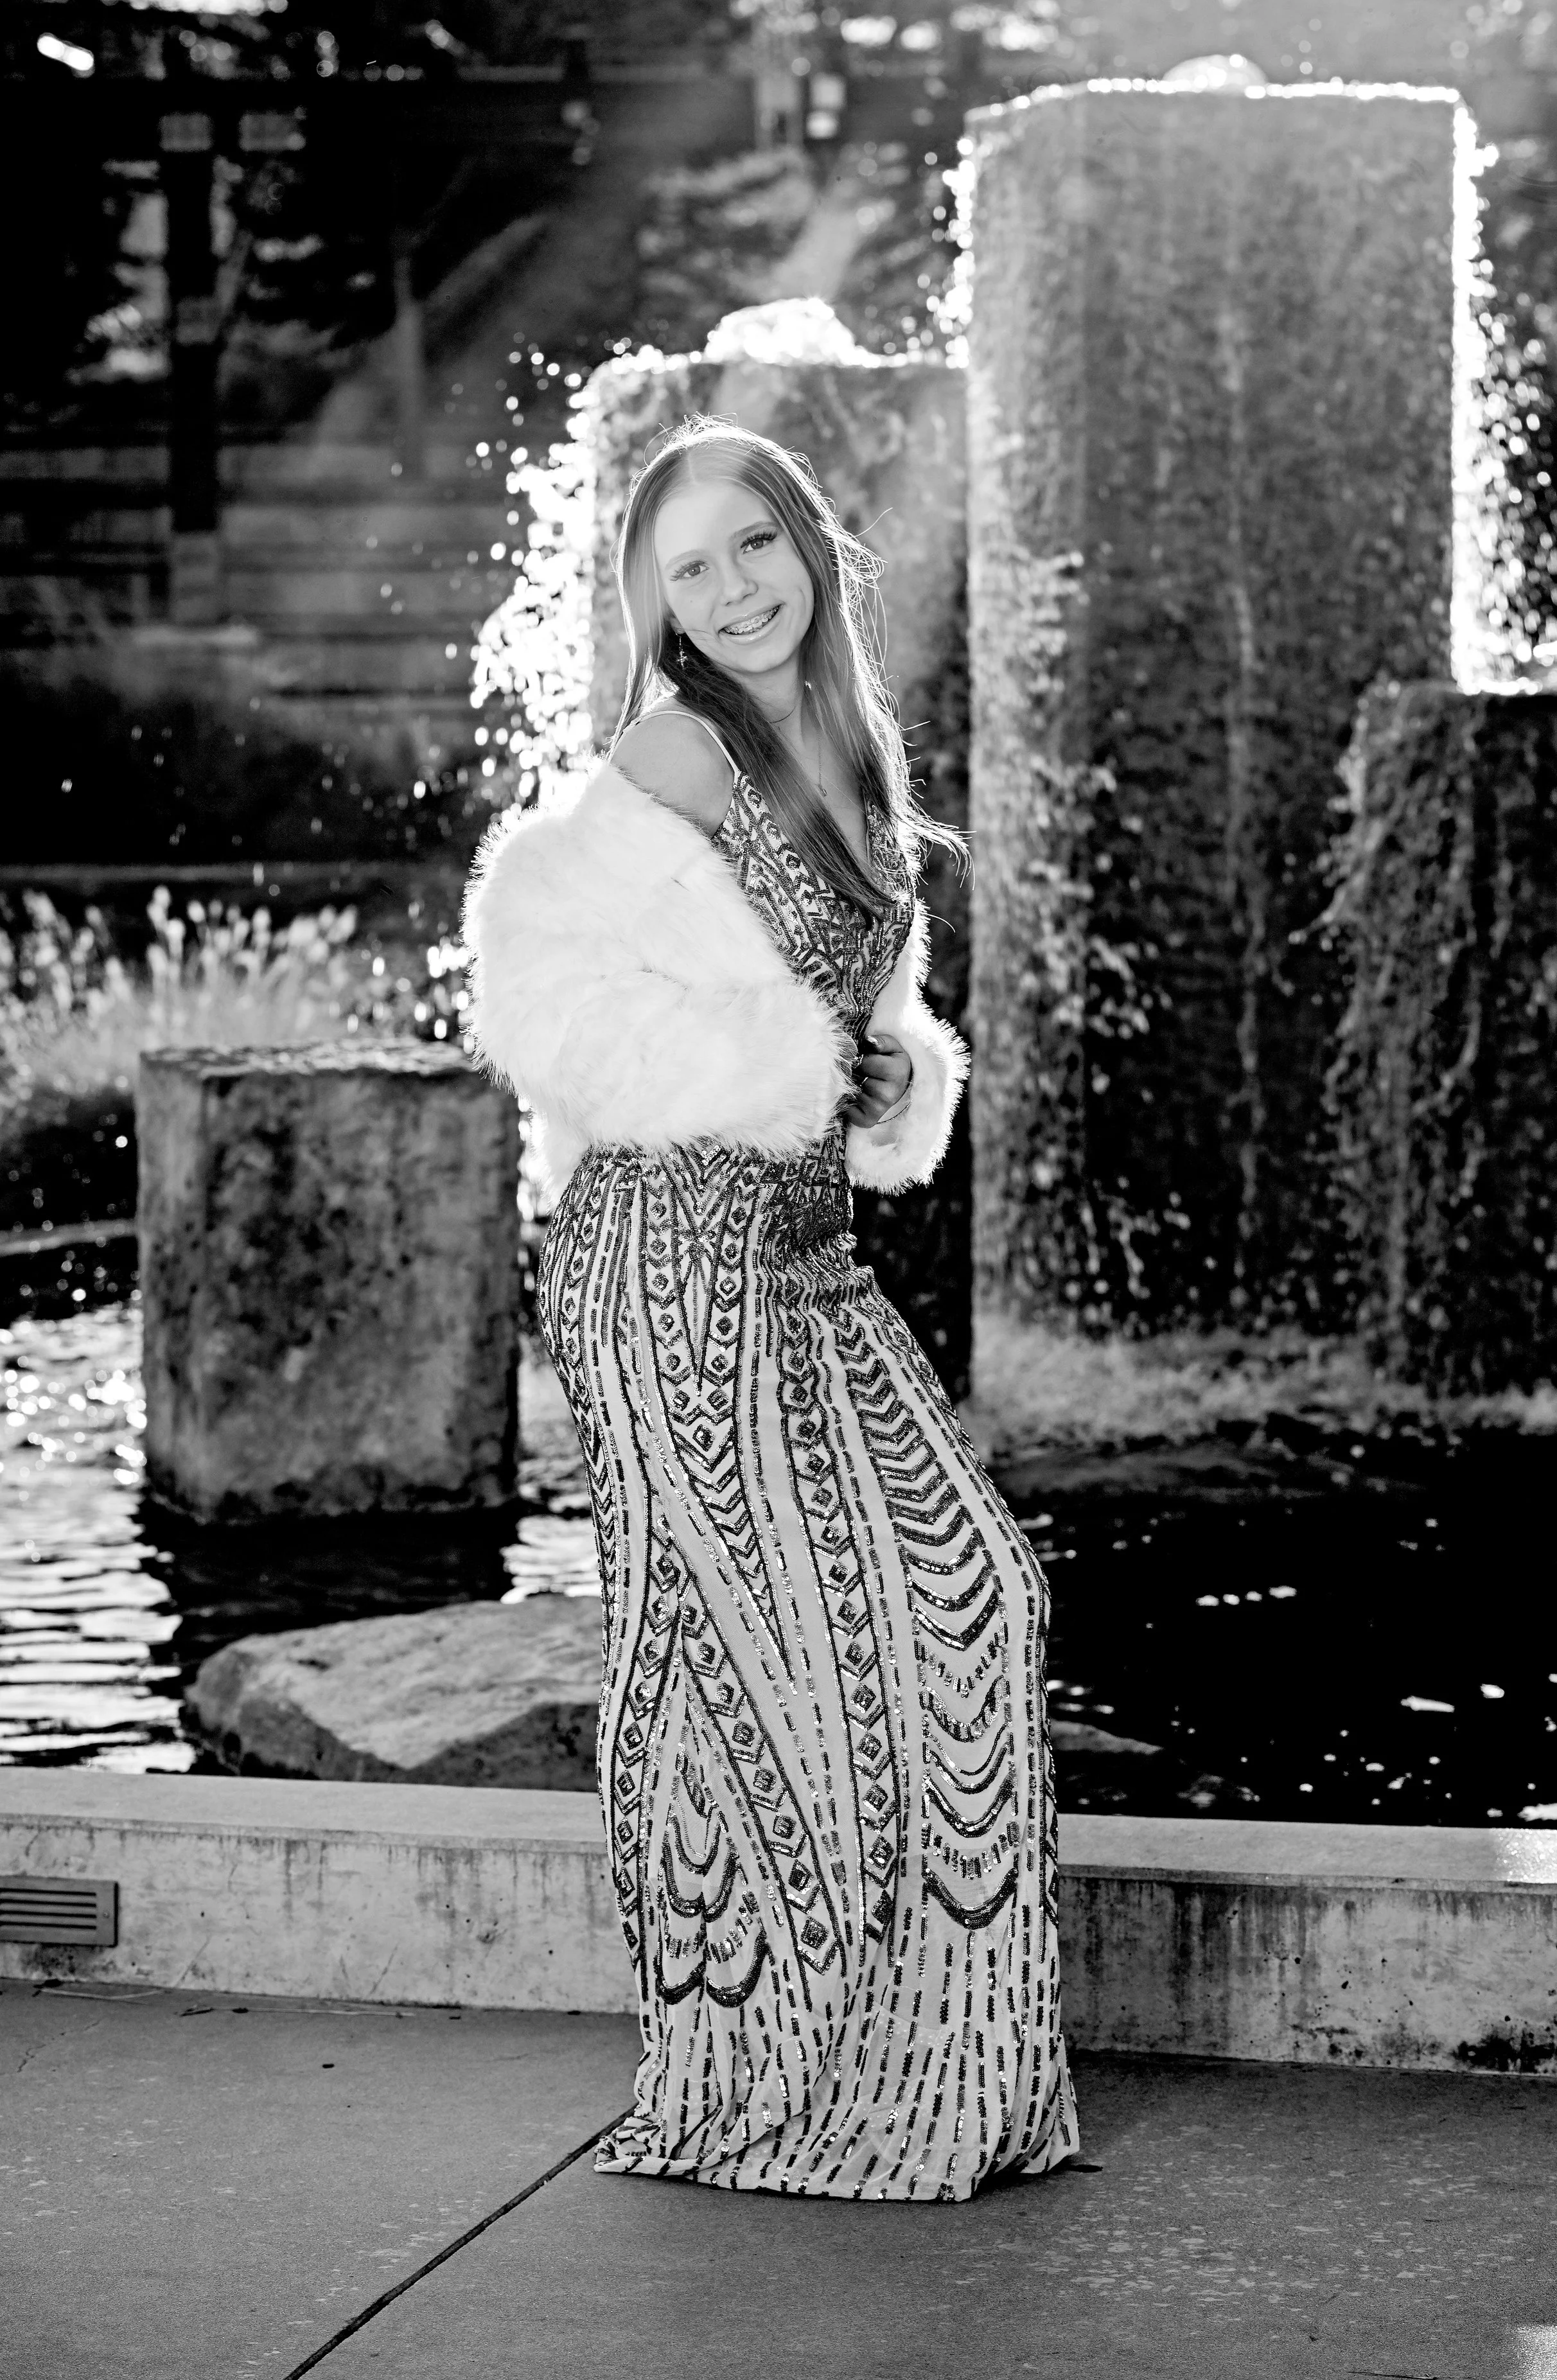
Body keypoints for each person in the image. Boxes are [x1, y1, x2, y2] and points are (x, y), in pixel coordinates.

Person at [463, 416, 1078, 2199]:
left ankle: (910, 2068)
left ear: (808, 546)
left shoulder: (844, 753)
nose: (728, 587)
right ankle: (770, 2074)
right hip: (663, 1255)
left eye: (752, 545)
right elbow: (536, 981)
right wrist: (781, 1068)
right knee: (744, 1662)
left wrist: (886, 1080)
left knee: (965, 1592)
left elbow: (846, 1036)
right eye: (685, 568)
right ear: (649, 603)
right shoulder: (669, 747)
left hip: (803, 1252)